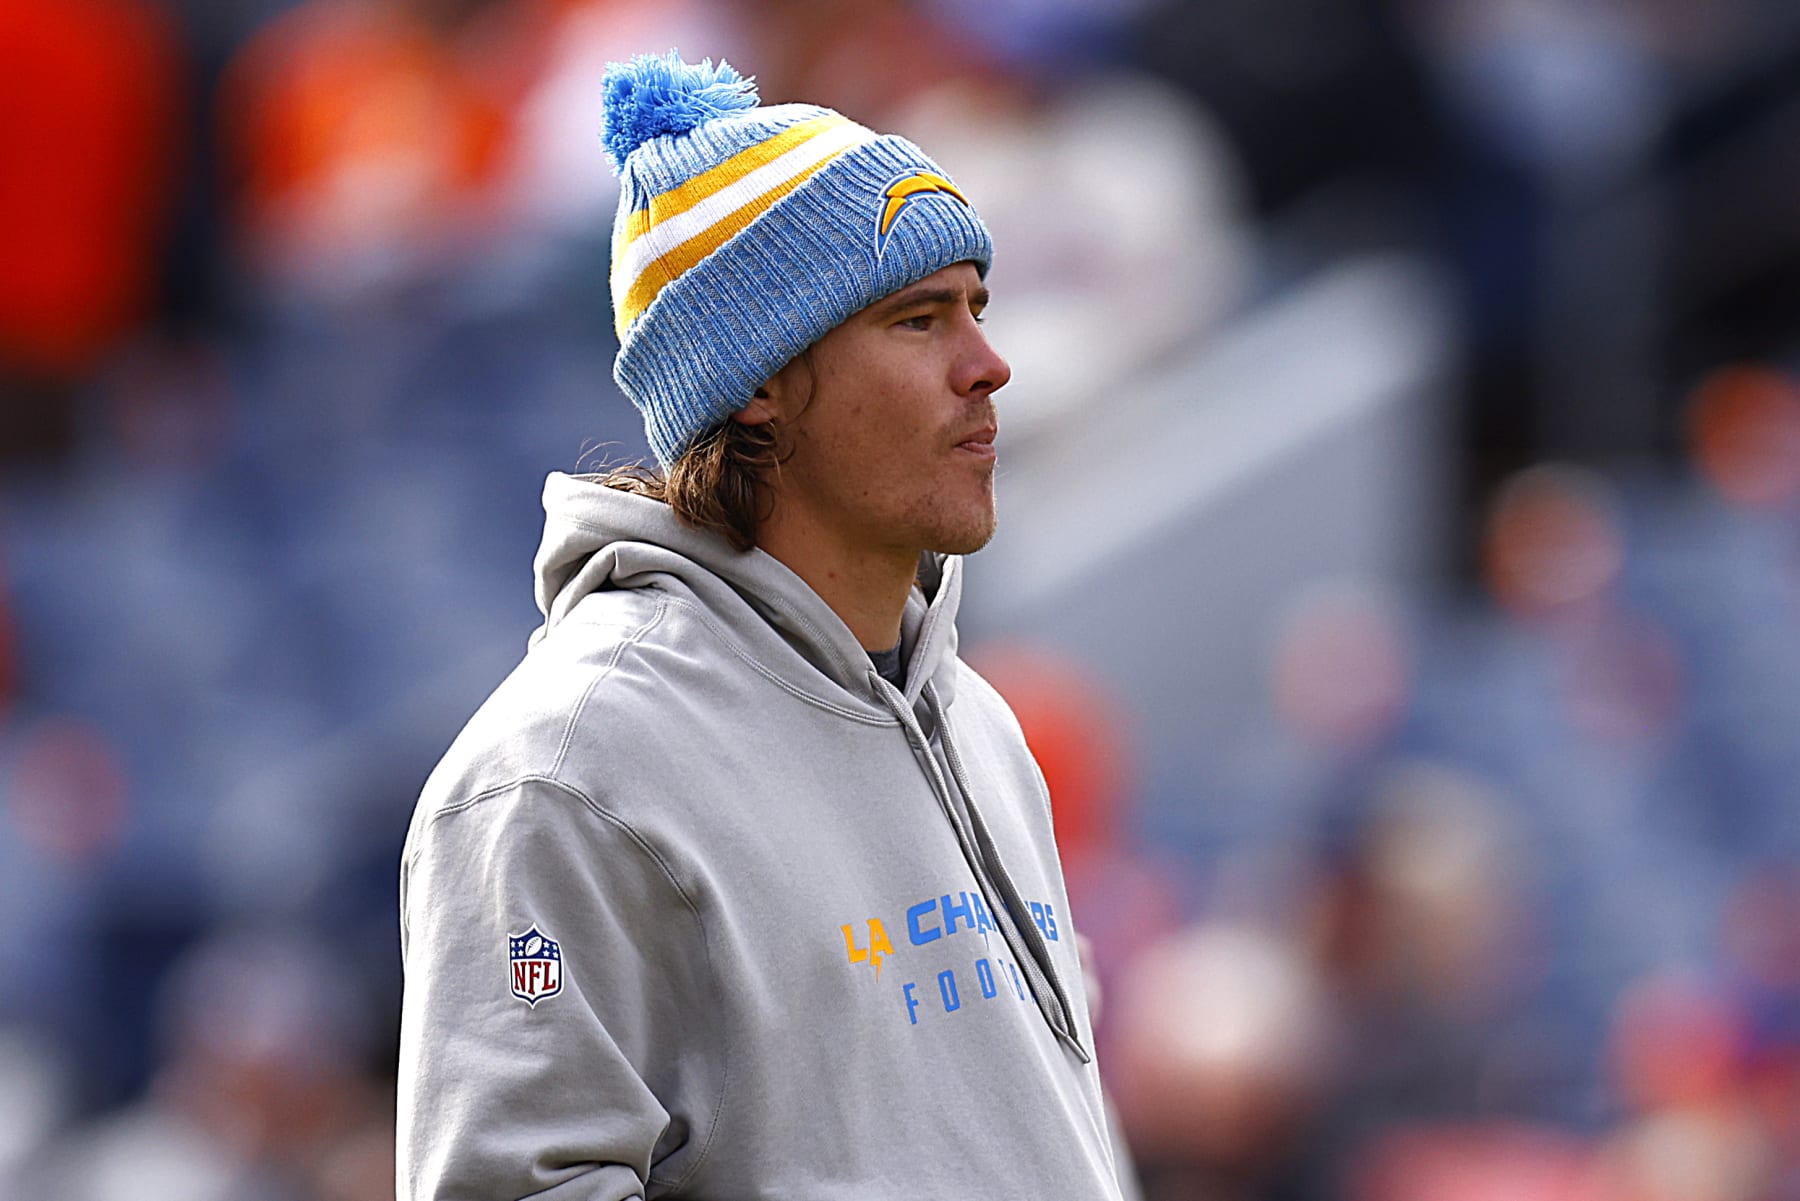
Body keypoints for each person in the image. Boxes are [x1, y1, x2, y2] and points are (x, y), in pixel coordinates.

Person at [396, 50, 1127, 1200]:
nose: (988, 366)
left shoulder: (976, 720)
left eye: (978, 310)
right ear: (761, 382)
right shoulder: (564, 774)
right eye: (919, 319)